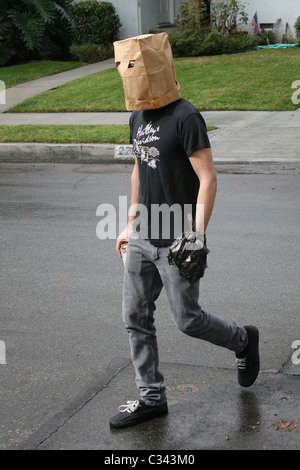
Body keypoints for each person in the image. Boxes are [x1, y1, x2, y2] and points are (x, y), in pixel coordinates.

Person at [109, 34, 259, 429]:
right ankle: (151, 397)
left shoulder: (185, 117)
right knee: (135, 316)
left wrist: (197, 235)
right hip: (143, 233)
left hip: (177, 239)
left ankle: (243, 339)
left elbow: (207, 179)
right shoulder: (137, 116)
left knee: (188, 320)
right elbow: (139, 169)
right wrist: (128, 223)